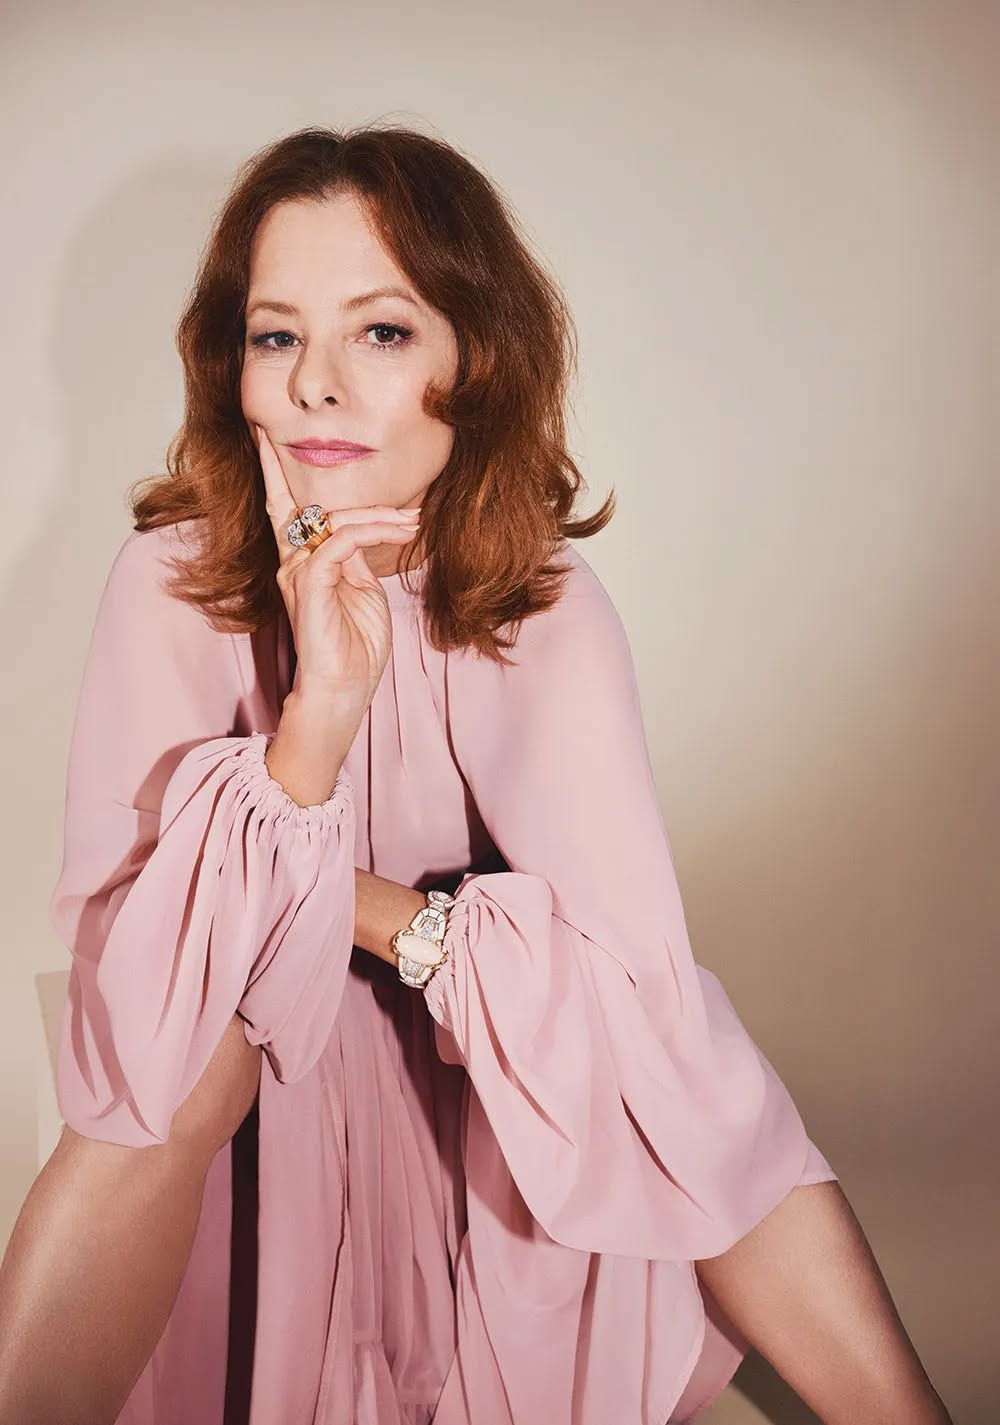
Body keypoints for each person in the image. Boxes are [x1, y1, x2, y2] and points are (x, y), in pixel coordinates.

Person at [0, 125, 953, 1425]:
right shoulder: (172, 582)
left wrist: (372, 912)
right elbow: (153, 979)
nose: (318, 385)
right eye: (277, 336)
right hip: (244, 1122)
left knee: (684, 1051)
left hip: (488, 1096)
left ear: (476, 362)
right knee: (188, 1055)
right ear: (236, 370)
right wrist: (319, 715)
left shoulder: (543, 603)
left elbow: (627, 992)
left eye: (382, 333)